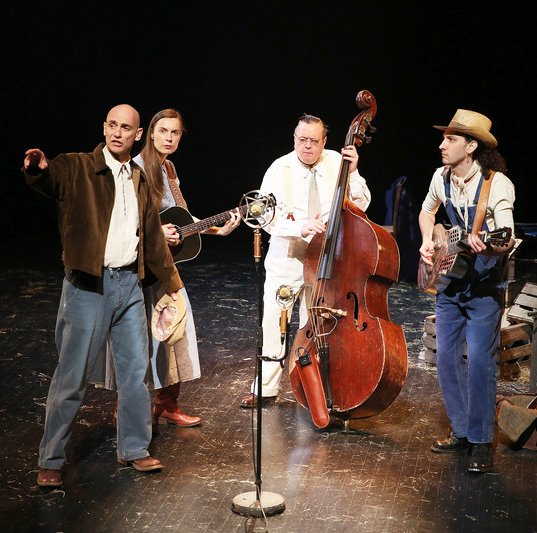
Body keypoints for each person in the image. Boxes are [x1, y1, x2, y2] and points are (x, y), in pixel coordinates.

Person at [24, 104, 183, 488]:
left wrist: (173, 285)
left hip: (129, 285)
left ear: (137, 134)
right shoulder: (77, 166)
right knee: (72, 375)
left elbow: (153, 238)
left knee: (133, 374)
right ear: (104, 128)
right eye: (112, 125)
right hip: (88, 286)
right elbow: (50, 180)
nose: (117, 132)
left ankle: (134, 448)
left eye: (125, 127)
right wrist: (37, 169)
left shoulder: (141, 178)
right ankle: (51, 458)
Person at [239, 113, 371, 408]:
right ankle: (266, 388)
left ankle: (315, 387)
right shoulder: (279, 168)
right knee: (275, 318)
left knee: (317, 321)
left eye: (314, 141)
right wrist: (299, 227)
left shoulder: (337, 161)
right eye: (302, 140)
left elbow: (361, 204)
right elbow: (264, 216)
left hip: (326, 256)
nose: (308, 146)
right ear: (294, 139)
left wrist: (355, 172)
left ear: (324, 142)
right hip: (289, 253)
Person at [418, 109, 515, 473]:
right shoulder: (440, 177)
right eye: (443, 138)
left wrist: (488, 244)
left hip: (485, 287)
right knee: (444, 359)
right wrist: (429, 240)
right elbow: (428, 213)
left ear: (471, 146)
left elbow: (505, 236)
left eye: (451, 139)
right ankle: (460, 431)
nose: (442, 145)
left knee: (479, 362)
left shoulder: (497, 184)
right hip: (450, 283)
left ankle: (480, 441)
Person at [133, 108, 240, 426]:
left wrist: (216, 228)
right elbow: (123, 219)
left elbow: (182, 218)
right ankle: (128, 410)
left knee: (174, 333)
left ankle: (166, 404)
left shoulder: (169, 169)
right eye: (163, 131)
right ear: (150, 132)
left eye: (175, 132)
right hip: (138, 267)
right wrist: (154, 232)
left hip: (164, 267)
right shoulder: (135, 168)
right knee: (137, 340)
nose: (168, 138)